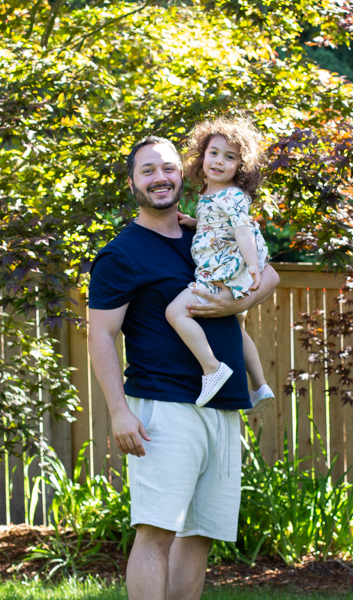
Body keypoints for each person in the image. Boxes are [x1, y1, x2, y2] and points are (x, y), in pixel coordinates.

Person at [87, 135, 279, 600]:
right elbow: (100, 335)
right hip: (165, 406)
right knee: (156, 532)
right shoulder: (121, 254)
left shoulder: (205, 233)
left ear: (182, 173)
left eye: (168, 168)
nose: (160, 178)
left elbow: (269, 273)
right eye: (148, 170)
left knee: (200, 535)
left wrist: (235, 302)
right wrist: (118, 411)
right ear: (132, 182)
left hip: (223, 404)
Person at [165, 117, 275, 411]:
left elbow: (242, 230)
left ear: (241, 166)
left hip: (222, 270)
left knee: (175, 312)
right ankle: (260, 385)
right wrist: (195, 222)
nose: (218, 161)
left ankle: (212, 368)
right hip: (220, 265)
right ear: (202, 156)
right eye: (213, 153)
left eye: (230, 157)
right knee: (236, 329)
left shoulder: (233, 195)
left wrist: (253, 267)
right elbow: (218, 225)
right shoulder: (211, 192)